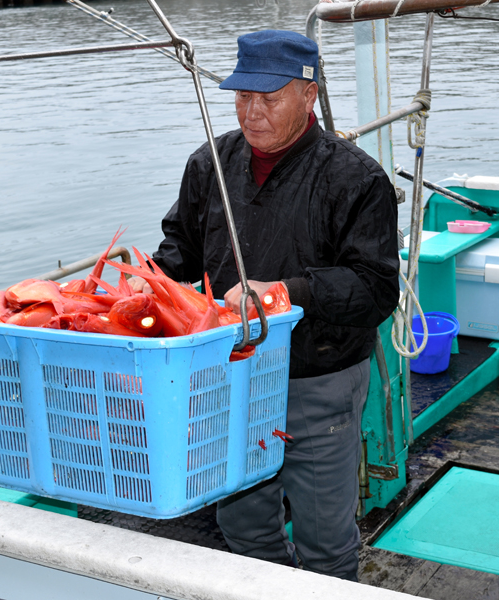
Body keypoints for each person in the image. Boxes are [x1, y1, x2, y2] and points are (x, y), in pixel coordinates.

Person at [133, 30, 399, 581]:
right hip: (227, 377)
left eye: (269, 97)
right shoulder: (210, 162)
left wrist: (283, 292)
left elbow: (376, 289)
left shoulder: (356, 177)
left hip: (317, 378)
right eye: (242, 96)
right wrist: (149, 285)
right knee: (244, 526)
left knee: (326, 542)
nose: (252, 112)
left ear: (309, 94)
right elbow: (181, 248)